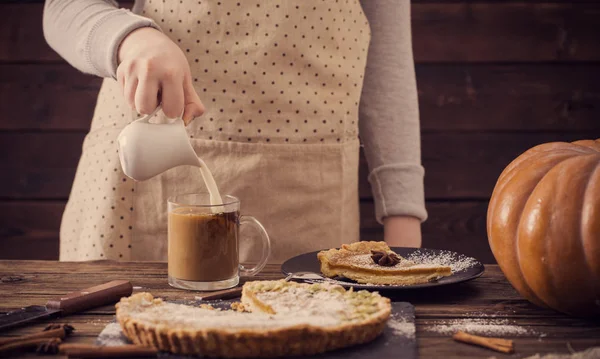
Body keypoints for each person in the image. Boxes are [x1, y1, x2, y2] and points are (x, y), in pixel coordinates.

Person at [43, 0, 426, 263]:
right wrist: (129, 38)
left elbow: (386, 61)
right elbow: (62, 8)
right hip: (141, 176)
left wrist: (402, 218)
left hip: (310, 192)